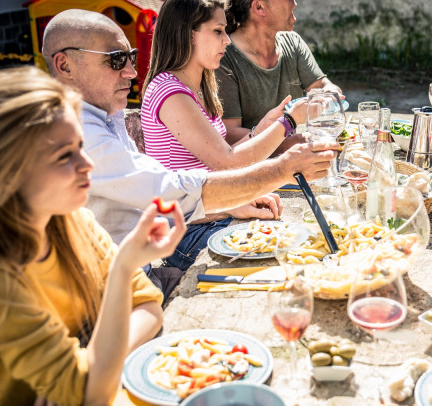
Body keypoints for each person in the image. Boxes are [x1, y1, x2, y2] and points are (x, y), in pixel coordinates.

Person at [0, 67, 186, 406]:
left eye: (80, 146)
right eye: (65, 155)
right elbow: (95, 390)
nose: (87, 165)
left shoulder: (72, 220)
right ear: (5, 173)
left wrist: (83, 367)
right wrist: (127, 262)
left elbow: (148, 305)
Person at [42, 10, 338, 272]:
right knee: (293, 261)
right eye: (117, 60)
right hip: (118, 287)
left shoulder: (108, 116)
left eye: (131, 58)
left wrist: (231, 204)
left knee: (297, 253)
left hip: (142, 270)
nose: (131, 71)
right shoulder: (79, 135)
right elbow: (191, 180)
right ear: (64, 65)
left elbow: (157, 197)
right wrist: (285, 142)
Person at [142, 0, 312, 173]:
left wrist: (260, 129)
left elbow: (221, 160)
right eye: (218, 31)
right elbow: (226, 163)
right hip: (179, 200)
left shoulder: (199, 87)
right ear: (189, 35)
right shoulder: (170, 93)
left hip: (204, 198)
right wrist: (288, 121)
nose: (227, 40)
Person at [218, 0, 343, 144]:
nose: (295, 3)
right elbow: (230, 133)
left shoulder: (293, 42)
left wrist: (332, 94)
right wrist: (296, 142)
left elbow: (321, 86)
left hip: (295, 159)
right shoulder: (223, 58)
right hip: (254, 164)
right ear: (259, 7)